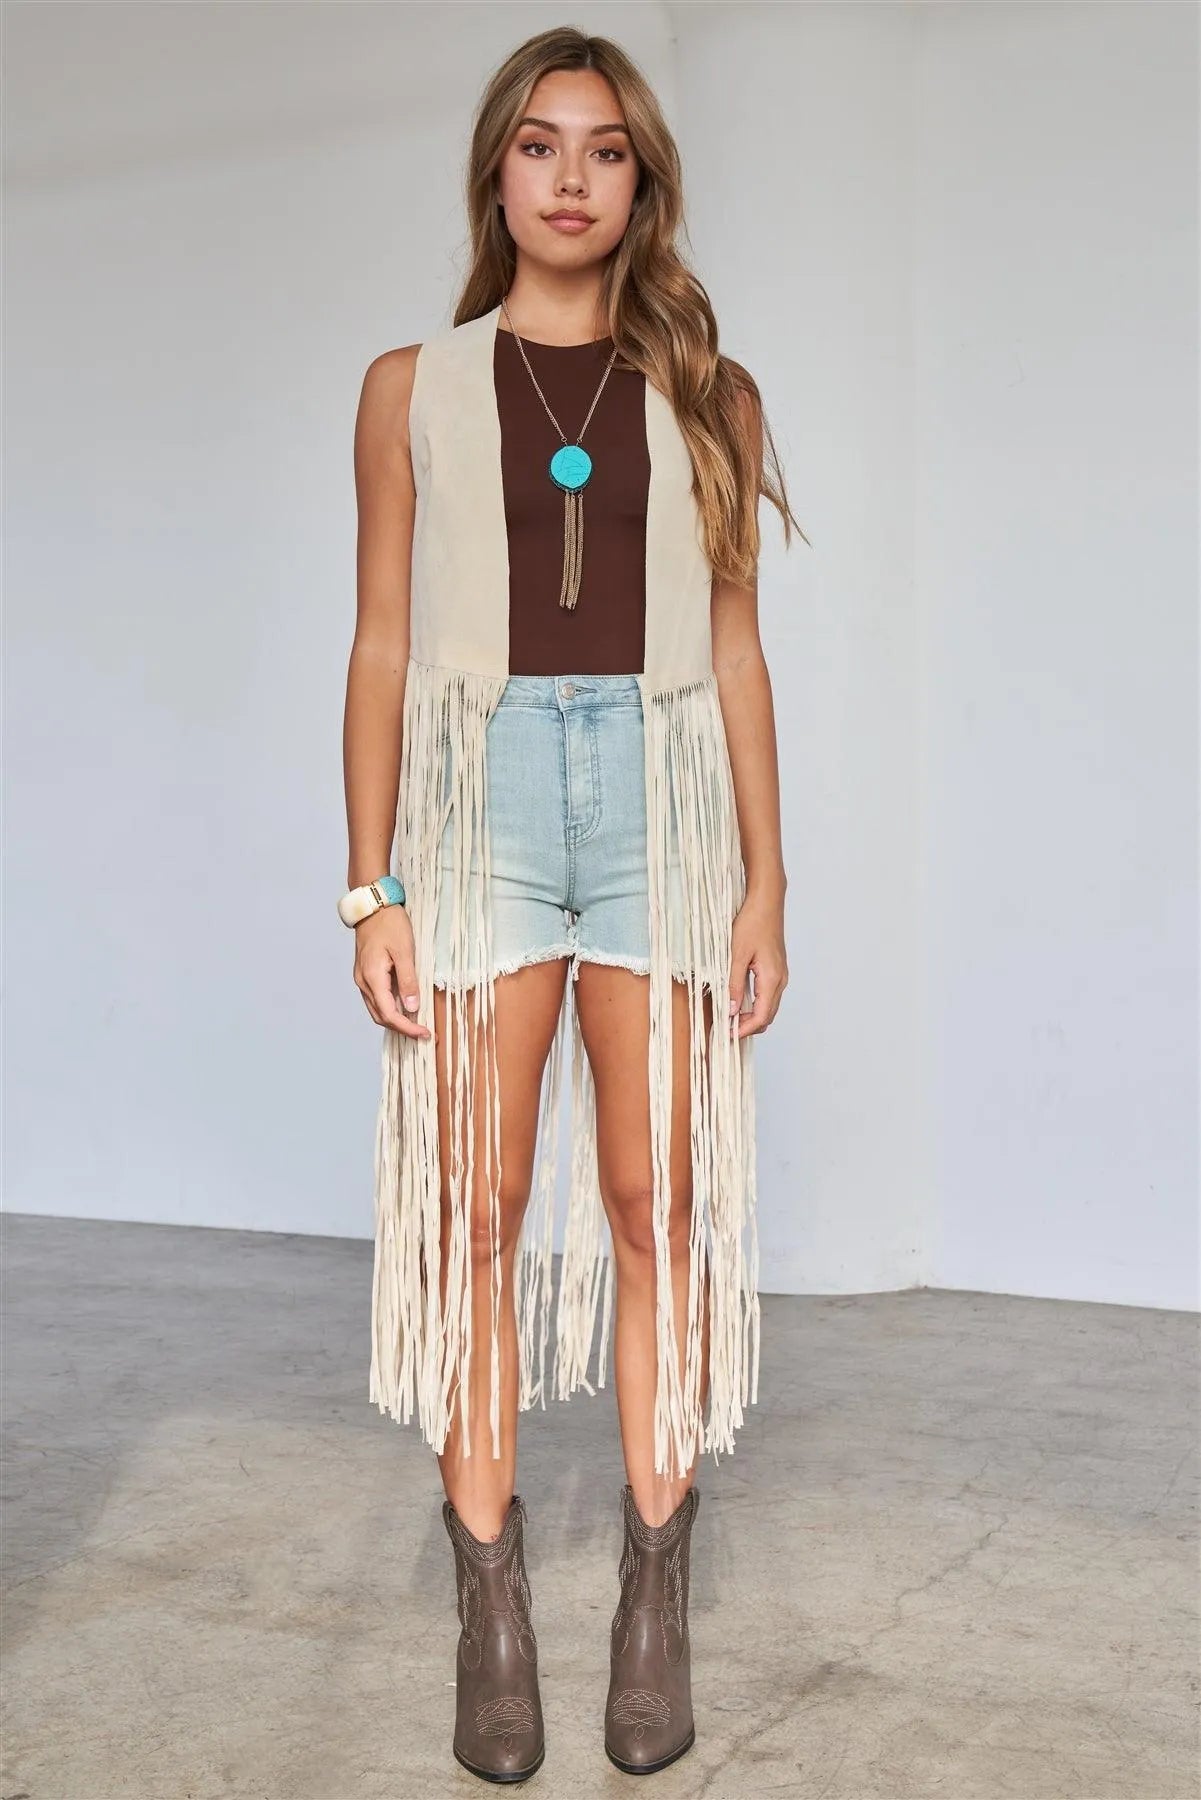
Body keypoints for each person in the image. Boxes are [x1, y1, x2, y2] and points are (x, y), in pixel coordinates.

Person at [339, 24, 804, 1784]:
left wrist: (767, 878)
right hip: (476, 804)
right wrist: (372, 886)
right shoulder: (412, 387)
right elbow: (381, 645)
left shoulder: (711, 391)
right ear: (497, 172)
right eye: (539, 146)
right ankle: (492, 1607)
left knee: (651, 1200)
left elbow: (739, 653)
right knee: (474, 1204)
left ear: (640, 183)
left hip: (660, 803)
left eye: (604, 151)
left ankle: (651, 1597)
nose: (569, 178)